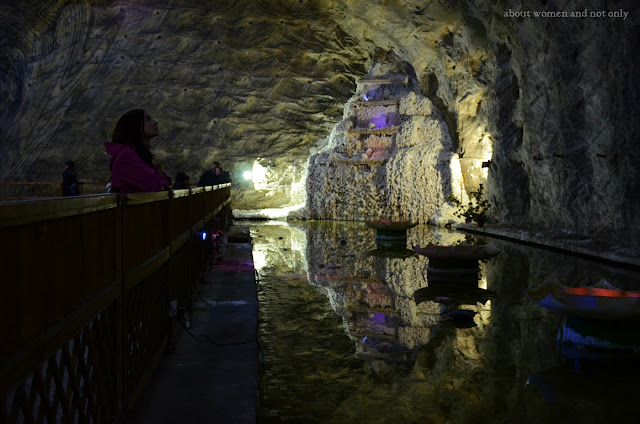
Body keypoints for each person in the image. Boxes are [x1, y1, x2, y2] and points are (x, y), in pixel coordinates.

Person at [105, 109, 170, 193]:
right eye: (148, 119)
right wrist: (162, 182)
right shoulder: (126, 156)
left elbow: (164, 181)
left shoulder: (137, 155)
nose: (155, 122)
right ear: (136, 126)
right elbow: (156, 185)